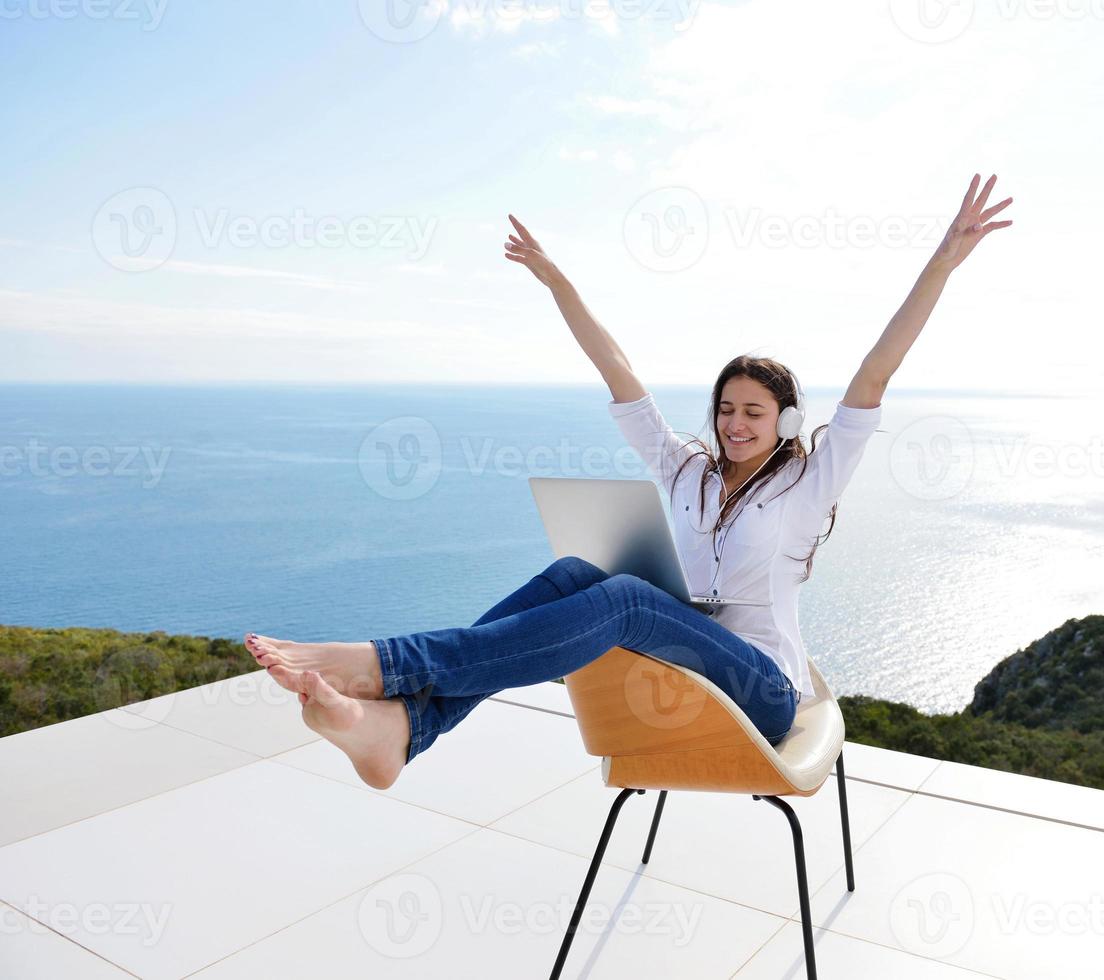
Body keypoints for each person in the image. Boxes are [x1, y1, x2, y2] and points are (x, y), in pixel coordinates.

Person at [246, 172, 1013, 790]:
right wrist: (555, 282)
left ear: (783, 420)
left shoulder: (810, 481)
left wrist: (942, 261)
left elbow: (877, 371)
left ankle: (388, 665)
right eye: (725, 409)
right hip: (691, 664)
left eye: (753, 411)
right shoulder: (686, 471)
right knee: (575, 573)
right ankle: (408, 730)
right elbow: (617, 368)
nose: (735, 423)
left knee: (620, 599)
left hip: (763, 692)